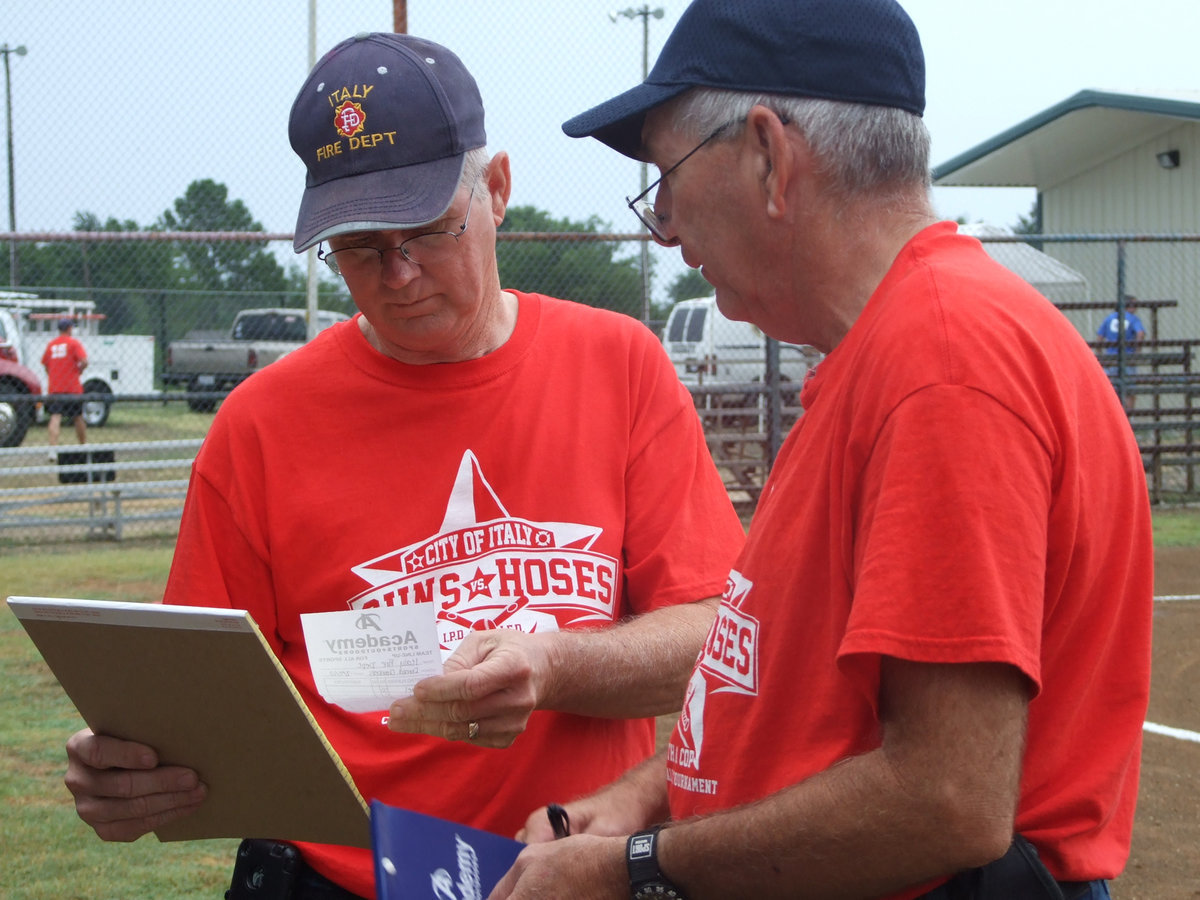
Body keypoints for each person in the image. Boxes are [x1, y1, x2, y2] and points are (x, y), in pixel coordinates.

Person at [493, 1, 1154, 898]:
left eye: (668, 181)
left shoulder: (942, 365)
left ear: (769, 155)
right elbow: (811, 704)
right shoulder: (900, 349)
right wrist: (647, 798)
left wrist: (632, 871)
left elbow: (946, 800)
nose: (667, 231)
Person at [63, 32, 745, 900]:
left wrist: (550, 667)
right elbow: (201, 706)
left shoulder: (618, 365)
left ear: (496, 190)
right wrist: (128, 770)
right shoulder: (260, 426)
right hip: (338, 879)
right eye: (357, 246)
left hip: (564, 869)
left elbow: (717, 641)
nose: (399, 274)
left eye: (428, 230)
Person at [41, 316, 88, 457]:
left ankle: (52, 450)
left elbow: (45, 364)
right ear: (69, 328)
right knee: (78, 417)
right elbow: (84, 361)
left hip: (56, 388)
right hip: (72, 388)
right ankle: (83, 446)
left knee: (55, 417)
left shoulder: (51, 345)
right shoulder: (74, 343)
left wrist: (53, 374)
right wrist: (79, 370)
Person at [1097, 295, 1147, 410]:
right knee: (1129, 391)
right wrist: (1137, 352)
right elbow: (1140, 334)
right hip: (1127, 358)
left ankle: (1115, 416)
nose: (1136, 308)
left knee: (1112, 391)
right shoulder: (1132, 318)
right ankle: (1129, 419)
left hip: (1111, 358)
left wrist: (1100, 354)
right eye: (1134, 305)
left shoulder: (1110, 318)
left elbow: (1100, 337)